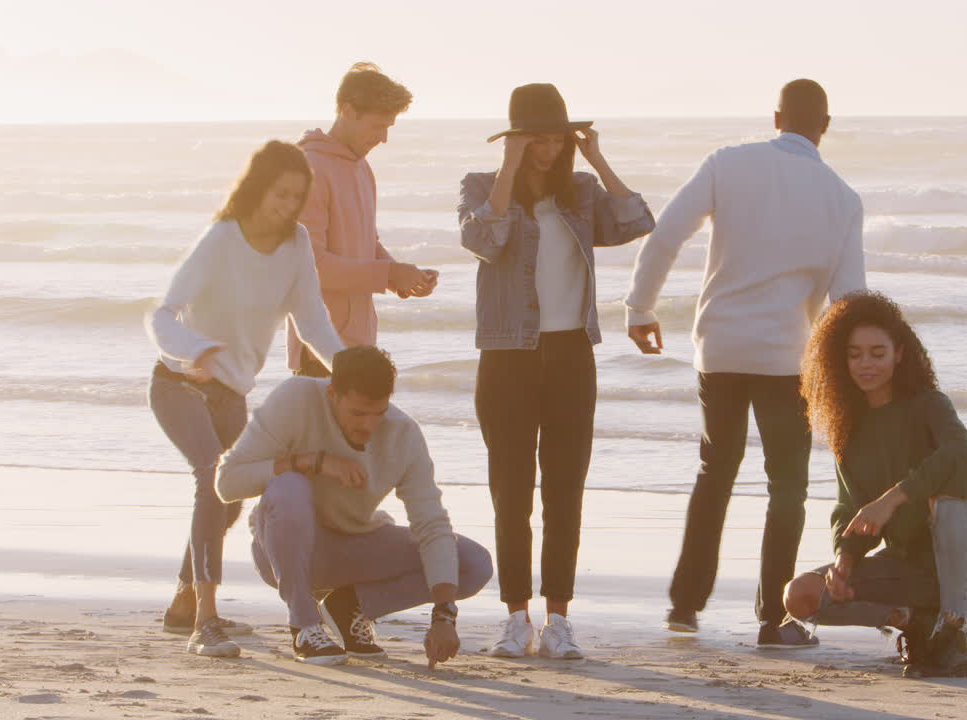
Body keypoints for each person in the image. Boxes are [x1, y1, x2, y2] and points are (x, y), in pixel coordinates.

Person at [624, 79, 866, 647]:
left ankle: (685, 606)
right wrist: (856, 377)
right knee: (787, 487)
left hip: (721, 349)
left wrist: (640, 307)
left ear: (776, 117)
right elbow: (848, 301)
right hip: (788, 357)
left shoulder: (728, 163)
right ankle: (773, 619)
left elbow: (666, 236)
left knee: (716, 472)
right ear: (825, 126)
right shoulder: (842, 198)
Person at [459, 83, 656, 659]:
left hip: (572, 354)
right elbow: (483, 239)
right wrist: (509, 165)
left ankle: (559, 620)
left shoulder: (583, 191)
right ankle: (515, 618)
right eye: (535, 141)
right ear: (515, 139)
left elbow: (637, 220)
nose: (547, 151)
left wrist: (596, 157)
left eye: (555, 140)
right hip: (507, 357)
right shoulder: (481, 186)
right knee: (511, 492)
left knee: (565, 492)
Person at [145, 140, 347, 657]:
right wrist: (195, 349)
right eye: (280, 194)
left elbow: (312, 320)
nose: (288, 206)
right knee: (212, 479)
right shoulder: (222, 238)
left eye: (297, 197)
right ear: (257, 189)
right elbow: (162, 314)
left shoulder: (297, 243)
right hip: (179, 384)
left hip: (231, 394)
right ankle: (205, 623)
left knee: (230, 498)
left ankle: (184, 601)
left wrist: (347, 370)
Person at [783, 291, 967, 677]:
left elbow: (960, 454)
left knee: (946, 500)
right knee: (800, 596)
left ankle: (955, 634)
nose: (865, 364)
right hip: (910, 567)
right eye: (855, 354)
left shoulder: (928, 404)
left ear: (899, 354)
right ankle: (913, 621)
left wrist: (892, 499)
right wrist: (845, 558)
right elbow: (850, 509)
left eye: (878, 353)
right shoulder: (849, 430)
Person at [215, 346, 493, 667]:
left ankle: (349, 608)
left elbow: (431, 524)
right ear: (332, 394)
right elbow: (227, 483)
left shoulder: (403, 434)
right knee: (288, 485)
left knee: (472, 563)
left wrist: (444, 614)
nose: (369, 426)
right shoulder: (296, 399)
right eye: (358, 413)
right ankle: (304, 625)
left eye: (379, 413)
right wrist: (312, 462)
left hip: (354, 548)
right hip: (283, 551)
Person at [289, 61, 439, 378]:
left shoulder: (361, 167)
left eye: (388, 127)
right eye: (377, 126)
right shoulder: (309, 168)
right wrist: (389, 273)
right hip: (320, 347)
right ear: (347, 111)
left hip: (359, 344)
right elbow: (310, 267)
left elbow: (368, 243)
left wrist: (402, 278)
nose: (383, 138)